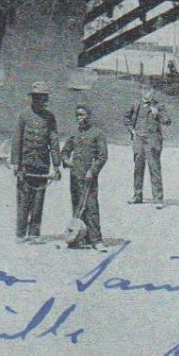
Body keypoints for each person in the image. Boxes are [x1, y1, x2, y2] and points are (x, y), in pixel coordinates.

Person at [11, 81, 61, 240]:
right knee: (24, 199)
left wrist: (57, 165)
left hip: (42, 164)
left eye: (42, 98)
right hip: (26, 164)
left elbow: (53, 141)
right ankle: (20, 233)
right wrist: (16, 163)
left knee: (38, 201)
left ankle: (34, 233)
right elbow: (17, 140)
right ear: (32, 99)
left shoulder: (50, 117)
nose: (39, 101)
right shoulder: (24, 115)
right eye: (36, 98)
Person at [62, 104, 108, 249]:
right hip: (75, 176)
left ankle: (96, 240)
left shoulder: (97, 133)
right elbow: (65, 151)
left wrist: (92, 171)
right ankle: (80, 237)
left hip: (89, 178)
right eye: (77, 115)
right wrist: (66, 160)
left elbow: (102, 156)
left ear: (89, 116)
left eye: (82, 115)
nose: (79, 118)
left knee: (91, 207)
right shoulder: (74, 133)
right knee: (77, 206)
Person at [125, 85, 171, 203]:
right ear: (141, 91)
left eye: (150, 90)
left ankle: (158, 199)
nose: (147, 93)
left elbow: (167, 121)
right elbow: (126, 118)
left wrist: (158, 114)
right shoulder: (136, 105)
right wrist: (132, 131)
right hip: (139, 140)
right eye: (145, 90)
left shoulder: (159, 106)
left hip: (152, 142)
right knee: (138, 169)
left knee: (154, 169)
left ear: (153, 92)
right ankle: (137, 196)